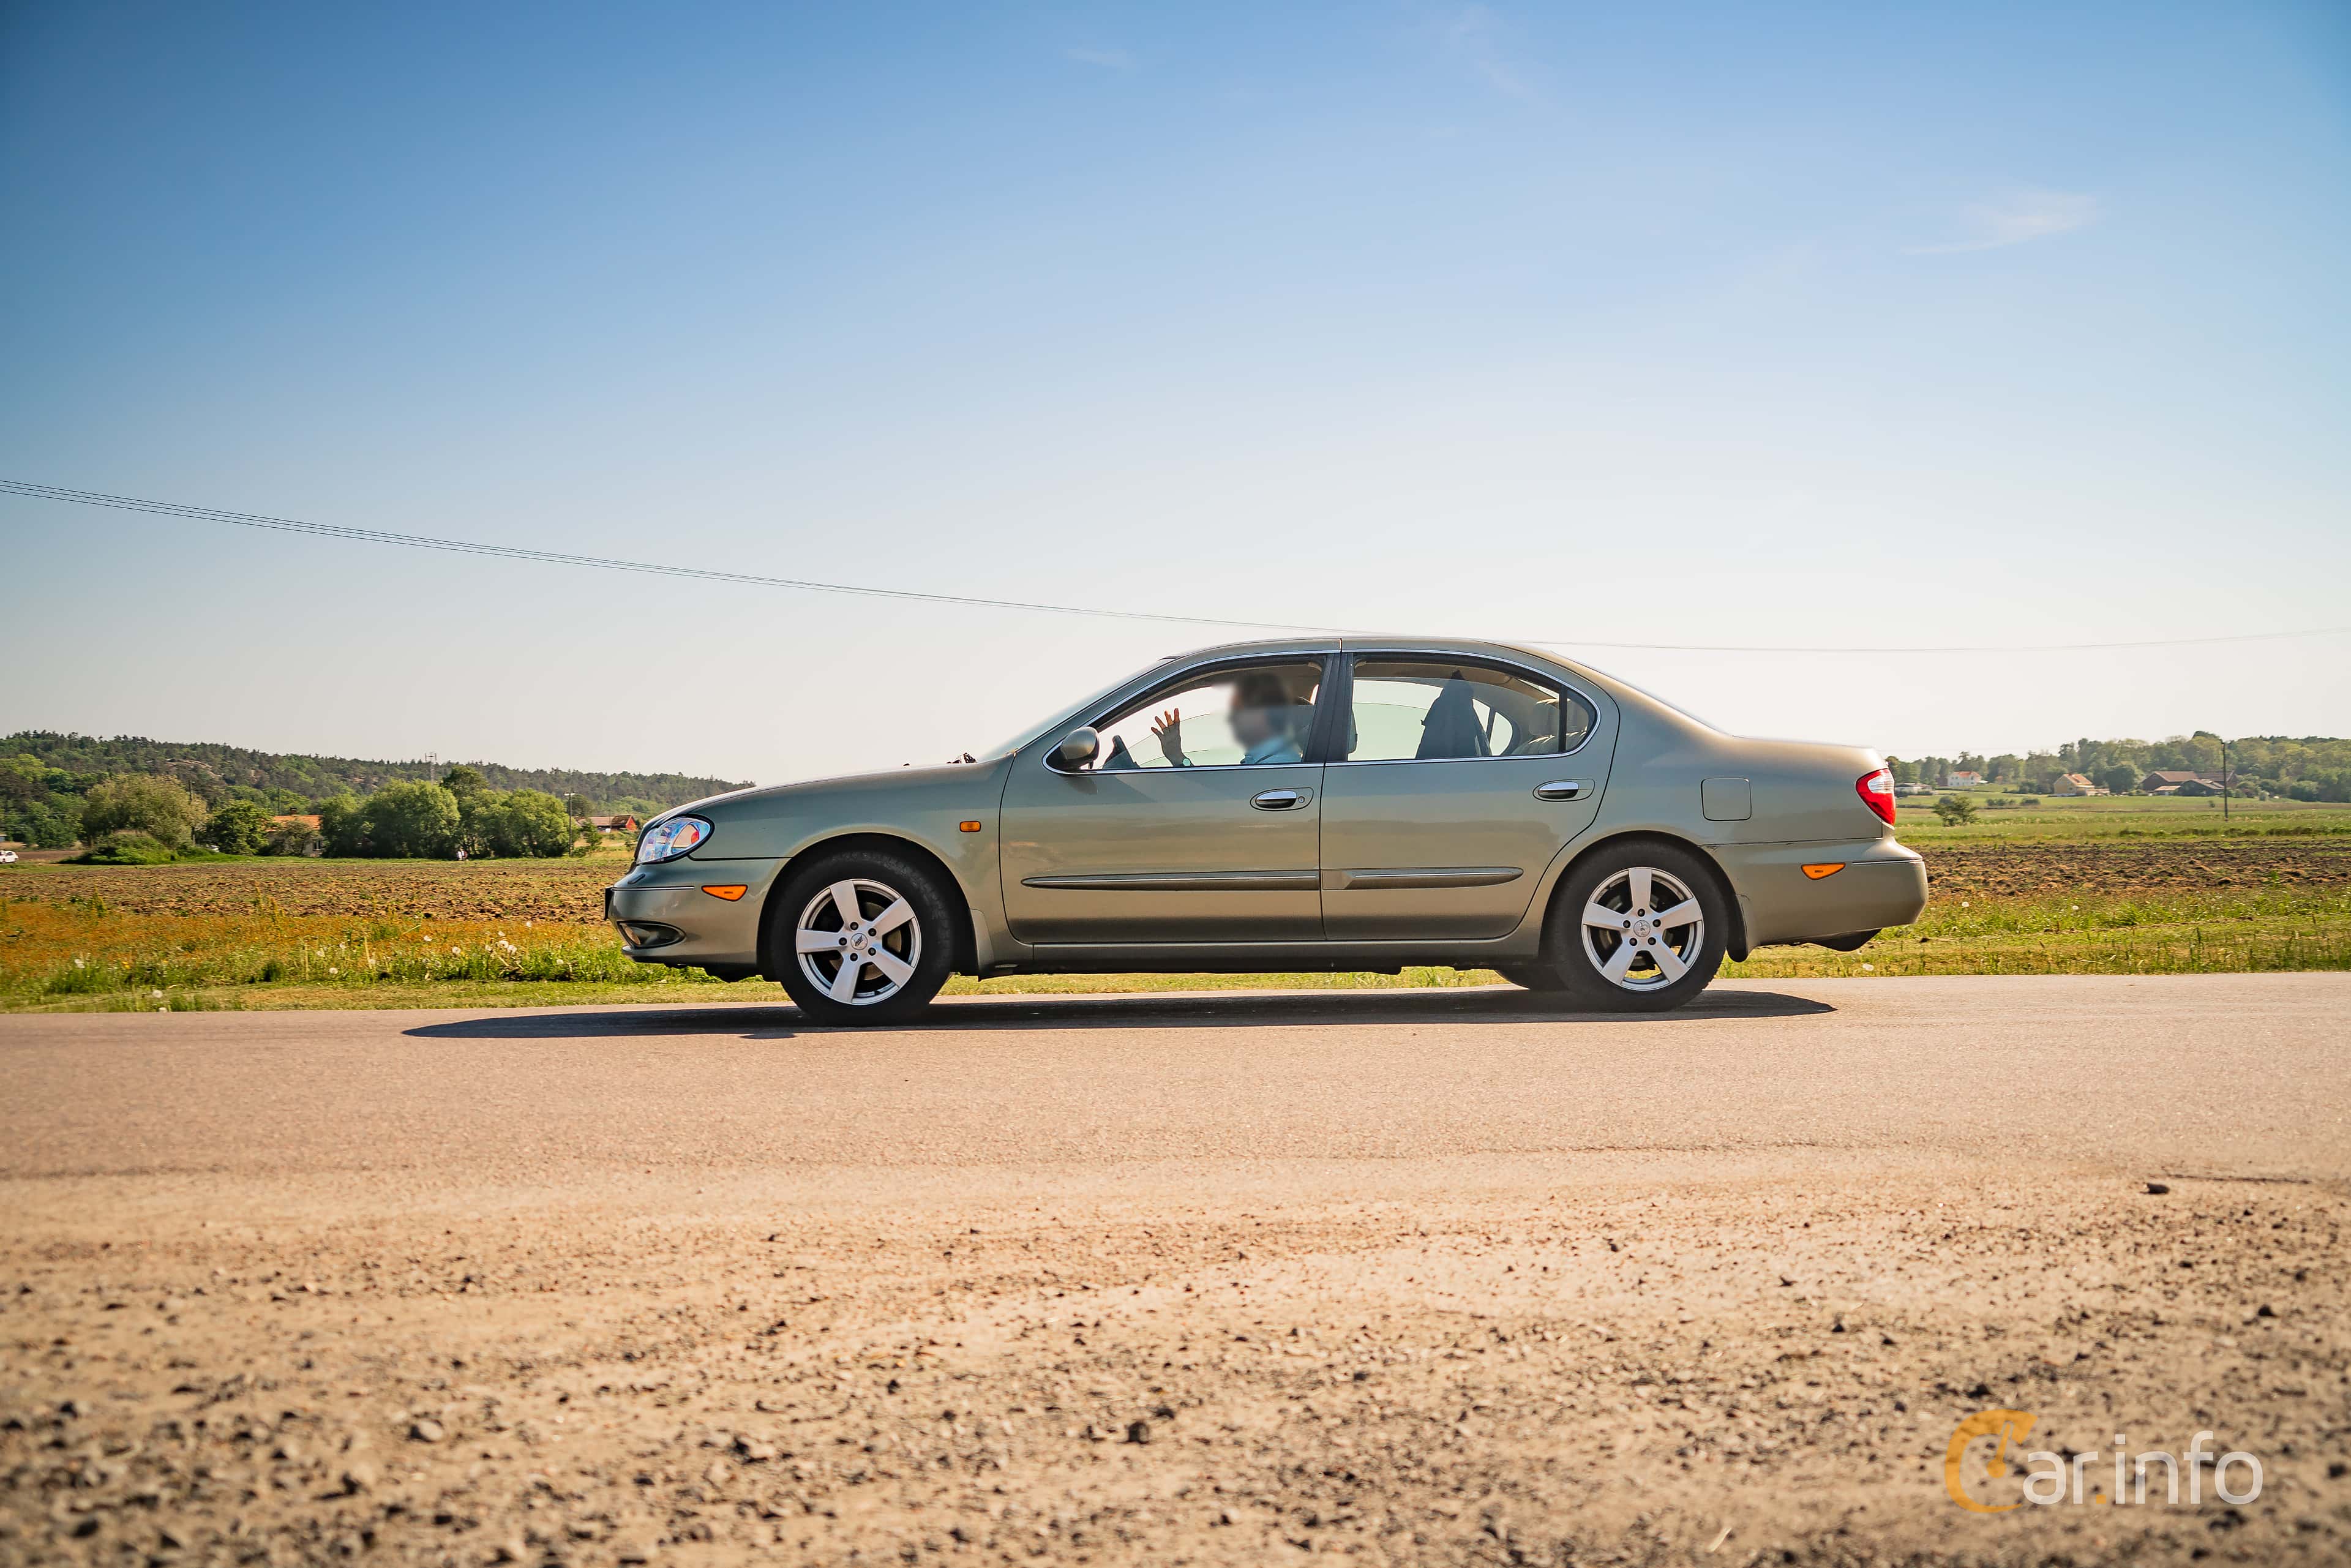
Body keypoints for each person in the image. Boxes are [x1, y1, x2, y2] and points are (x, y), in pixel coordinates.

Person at [1152, 670, 1303, 767]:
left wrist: (1178, 758)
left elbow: (1211, 798)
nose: (1232, 718)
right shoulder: (1264, 760)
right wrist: (1177, 756)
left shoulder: (1275, 765)